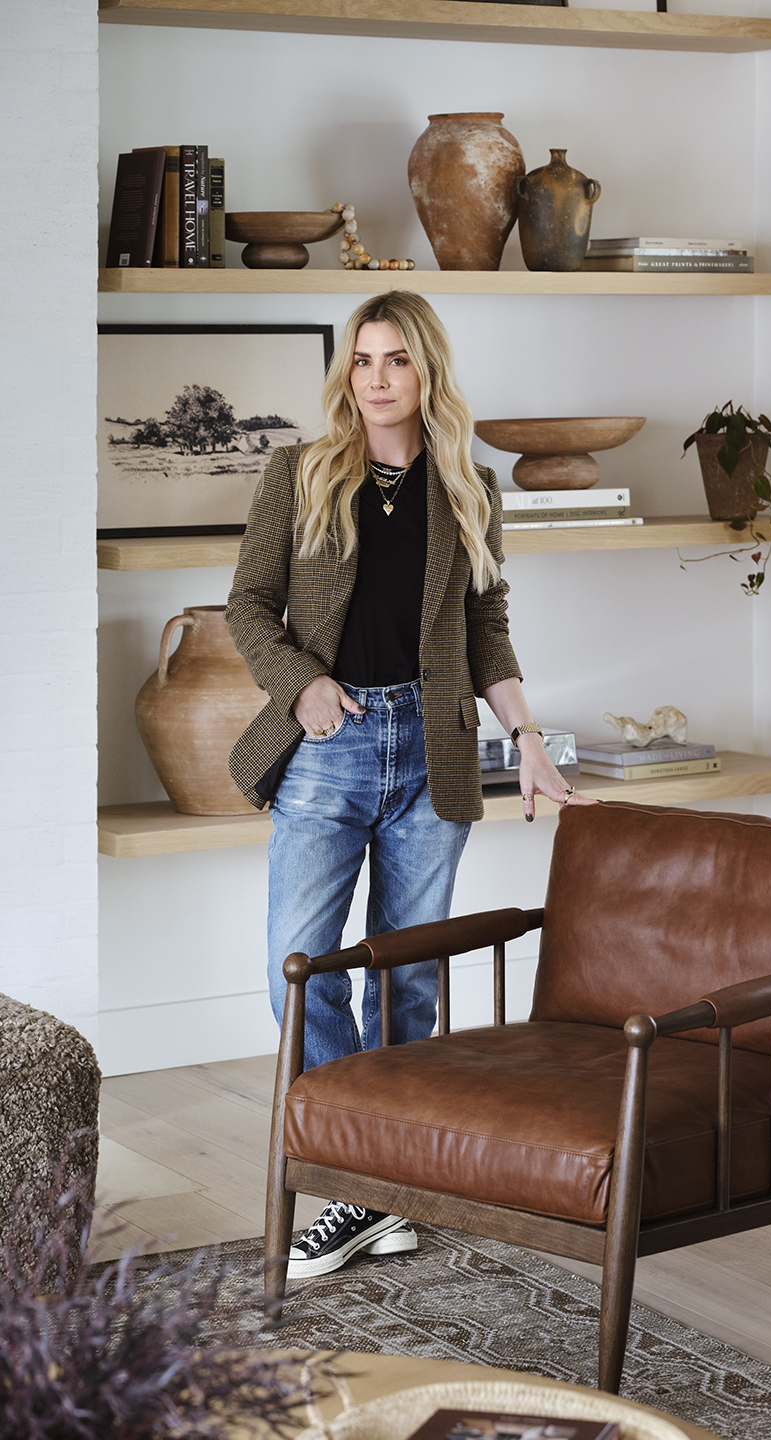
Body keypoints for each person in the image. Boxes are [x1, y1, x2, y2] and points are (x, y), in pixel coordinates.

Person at [225, 291, 591, 1281]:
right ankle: (360, 1177)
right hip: (332, 744)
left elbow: (485, 631)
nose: (377, 378)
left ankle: (373, 1194)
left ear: (427, 371)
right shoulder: (298, 473)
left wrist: (528, 738)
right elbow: (248, 606)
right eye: (363, 361)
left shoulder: (467, 485)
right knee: (297, 968)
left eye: (396, 361)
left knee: (411, 976)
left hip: (435, 750)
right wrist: (300, 687)